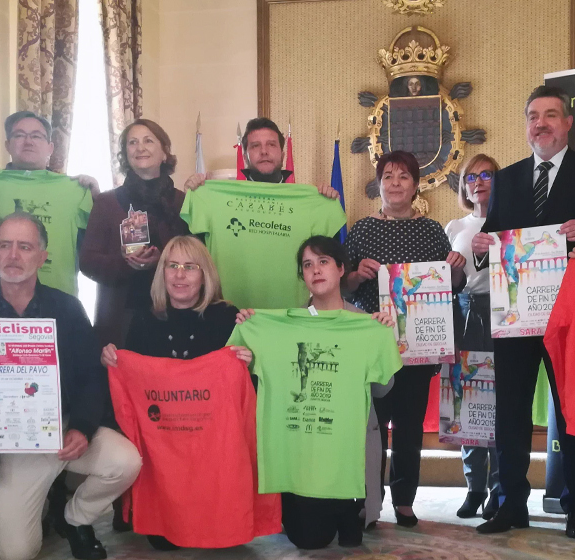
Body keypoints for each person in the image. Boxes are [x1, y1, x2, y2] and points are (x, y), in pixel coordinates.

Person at [0, 212, 143, 560]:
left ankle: (75, 517)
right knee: (15, 554)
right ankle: (42, 502)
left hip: (62, 432)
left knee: (126, 462)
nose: (14, 255)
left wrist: (83, 428)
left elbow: (93, 376)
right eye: (5, 245)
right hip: (11, 448)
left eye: (25, 247)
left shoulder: (66, 308)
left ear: (42, 256)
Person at [470, 85, 575, 540]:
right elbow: (494, 243)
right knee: (511, 412)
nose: (541, 123)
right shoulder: (509, 177)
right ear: (526, 125)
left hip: (572, 314)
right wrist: (482, 246)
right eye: (533, 116)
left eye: (551, 115)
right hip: (515, 316)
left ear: (568, 122)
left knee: (572, 409)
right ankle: (510, 505)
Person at [236, 236, 395, 543]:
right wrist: (250, 328)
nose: (316, 270)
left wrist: (382, 337)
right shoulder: (283, 327)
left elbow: (382, 390)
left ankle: (351, 509)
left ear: (340, 269)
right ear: (302, 276)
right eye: (307, 265)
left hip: (349, 454)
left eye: (323, 262)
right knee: (311, 540)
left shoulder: (364, 323)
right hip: (302, 453)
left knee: (353, 535)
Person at [345, 150, 466, 527]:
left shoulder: (432, 230)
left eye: (403, 177)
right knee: (374, 426)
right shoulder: (362, 230)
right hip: (373, 343)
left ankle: (405, 500)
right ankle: (371, 498)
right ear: (379, 184)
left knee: (410, 426)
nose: (395, 183)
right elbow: (343, 289)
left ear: (415, 186)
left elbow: (450, 286)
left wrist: (457, 269)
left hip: (419, 345)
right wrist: (357, 275)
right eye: (388, 176)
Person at [101, 235, 241, 550]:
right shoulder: (144, 319)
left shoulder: (226, 317)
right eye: (172, 266)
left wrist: (248, 356)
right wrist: (113, 360)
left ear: (205, 274)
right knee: (163, 542)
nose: (179, 275)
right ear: (161, 272)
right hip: (163, 441)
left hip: (210, 440)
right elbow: (132, 382)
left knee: (220, 539)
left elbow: (243, 386)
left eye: (190, 267)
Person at [80, 119, 190, 349]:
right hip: (120, 320)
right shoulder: (106, 202)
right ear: (125, 154)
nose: (140, 147)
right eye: (132, 142)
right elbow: (87, 262)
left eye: (148, 140)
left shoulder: (183, 202)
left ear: (164, 153)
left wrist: (162, 260)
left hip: (176, 316)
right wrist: (125, 262)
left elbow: (198, 258)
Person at [0, 111, 96, 297]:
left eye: (36, 136)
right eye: (20, 135)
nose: (28, 141)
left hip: (56, 300)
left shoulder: (76, 190)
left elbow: (99, 244)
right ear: (8, 145)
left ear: (50, 148)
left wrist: (97, 197)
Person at [444, 153, 501, 520]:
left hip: (502, 315)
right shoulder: (453, 227)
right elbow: (447, 283)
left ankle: (499, 489)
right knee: (467, 401)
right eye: (470, 177)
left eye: (486, 175)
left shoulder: (511, 223)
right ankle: (473, 488)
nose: (477, 182)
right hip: (465, 314)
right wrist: (453, 272)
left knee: (499, 404)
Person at [183, 118, 340, 197]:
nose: (264, 151)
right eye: (255, 146)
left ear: (283, 155)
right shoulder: (225, 199)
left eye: (271, 145)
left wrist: (326, 201)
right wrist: (193, 194)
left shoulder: (306, 200)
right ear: (245, 156)